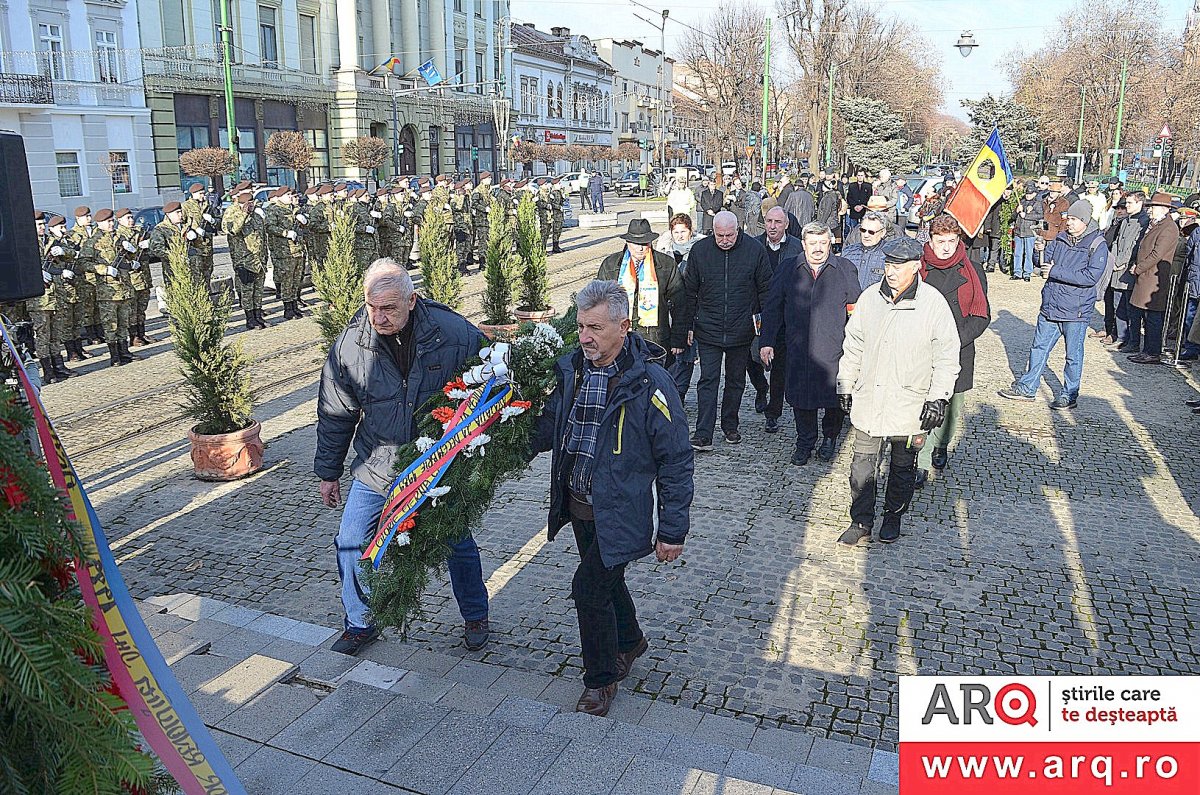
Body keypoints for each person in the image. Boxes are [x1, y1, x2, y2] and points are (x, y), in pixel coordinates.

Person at [530, 280, 692, 718]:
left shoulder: (650, 383)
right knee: (606, 582)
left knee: (588, 588)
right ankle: (631, 640)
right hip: (579, 505)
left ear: (623, 326)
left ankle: (600, 681)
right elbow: (550, 427)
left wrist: (672, 529)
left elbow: (676, 460)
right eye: (582, 326)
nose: (585, 337)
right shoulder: (572, 371)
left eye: (596, 328)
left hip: (622, 511)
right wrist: (503, 431)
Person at [315, 259, 491, 656]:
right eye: (372, 307)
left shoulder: (453, 333)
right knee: (350, 540)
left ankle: (475, 614)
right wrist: (328, 471)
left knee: (455, 541)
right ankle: (360, 621)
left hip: (438, 463)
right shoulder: (349, 346)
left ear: (412, 301)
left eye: (390, 307)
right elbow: (335, 411)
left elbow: (489, 383)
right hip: (378, 464)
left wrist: (477, 455)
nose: (380, 316)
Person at [836, 237, 960, 545]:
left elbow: (947, 355)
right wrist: (845, 383)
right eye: (888, 264)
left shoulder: (932, 304)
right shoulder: (869, 299)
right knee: (861, 467)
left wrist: (938, 397)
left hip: (911, 404)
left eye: (899, 266)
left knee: (902, 468)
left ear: (916, 266)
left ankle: (893, 516)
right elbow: (853, 345)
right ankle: (862, 520)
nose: (891, 272)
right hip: (870, 399)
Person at [759, 221, 859, 465]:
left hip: (834, 349)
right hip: (797, 348)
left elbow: (858, 311)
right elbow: (772, 308)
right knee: (801, 399)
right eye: (812, 243)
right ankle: (805, 441)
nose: (818, 248)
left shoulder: (845, 269)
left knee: (833, 400)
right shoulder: (788, 268)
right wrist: (767, 341)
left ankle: (829, 438)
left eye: (823, 243)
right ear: (803, 244)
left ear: (830, 244)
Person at [998, 199, 1109, 409]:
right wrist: (1040, 250)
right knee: (1038, 348)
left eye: (1075, 219)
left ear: (1085, 221)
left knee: (1073, 356)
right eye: (1069, 219)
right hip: (1051, 304)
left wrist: (1056, 272)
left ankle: (1069, 393)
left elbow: (1090, 277)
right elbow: (1044, 263)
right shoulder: (1060, 239)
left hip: (1076, 310)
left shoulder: (1097, 245)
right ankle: (1028, 387)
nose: (1069, 223)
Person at [681, 210, 772, 450]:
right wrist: (688, 325)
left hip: (741, 329)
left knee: (735, 381)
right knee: (708, 380)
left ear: (738, 230)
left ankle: (730, 425)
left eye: (729, 235)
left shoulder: (754, 251)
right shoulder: (700, 252)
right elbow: (689, 292)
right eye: (719, 235)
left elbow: (765, 291)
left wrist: (765, 329)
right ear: (713, 232)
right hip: (708, 328)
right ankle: (703, 433)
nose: (724, 240)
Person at [914, 215, 990, 484]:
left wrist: (953, 340)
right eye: (940, 241)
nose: (946, 247)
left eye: (952, 241)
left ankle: (941, 445)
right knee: (925, 405)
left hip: (959, 348)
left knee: (952, 407)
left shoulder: (973, 270)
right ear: (930, 241)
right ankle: (921, 461)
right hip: (923, 348)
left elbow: (981, 315)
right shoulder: (918, 270)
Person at [596, 219, 686, 361]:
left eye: (644, 243)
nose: (640, 248)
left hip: (655, 339)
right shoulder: (610, 265)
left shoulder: (666, 264)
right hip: (619, 338)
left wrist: (678, 339)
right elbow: (599, 303)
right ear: (627, 242)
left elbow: (680, 304)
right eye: (636, 244)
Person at [748, 206, 804, 432]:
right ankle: (761, 387)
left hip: (784, 314)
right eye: (769, 221)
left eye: (777, 222)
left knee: (780, 365)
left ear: (786, 224)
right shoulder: (753, 245)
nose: (772, 226)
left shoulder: (796, 247)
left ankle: (773, 411)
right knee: (750, 358)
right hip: (755, 310)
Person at [1125, 192, 1180, 364]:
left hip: (1154, 278)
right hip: (1145, 276)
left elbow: (1157, 254)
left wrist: (1139, 268)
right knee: (1143, 315)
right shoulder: (1155, 224)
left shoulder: (1169, 228)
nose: (1150, 210)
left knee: (1153, 317)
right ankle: (1146, 349)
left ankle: (1153, 352)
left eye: (1153, 207)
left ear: (1164, 209)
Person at [654, 214, 704, 397]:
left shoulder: (699, 252)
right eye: (676, 232)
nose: (680, 235)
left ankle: (678, 394)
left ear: (691, 231)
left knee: (685, 356)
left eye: (684, 231)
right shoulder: (664, 252)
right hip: (665, 313)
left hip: (690, 312)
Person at [1105, 192, 1148, 348]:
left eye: (1130, 203)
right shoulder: (1125, 221)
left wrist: (1122, 262)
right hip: (1117, 268)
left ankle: (1132, 341)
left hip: (1128, 270)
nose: (1126, 206)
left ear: (1139, 203)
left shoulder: (1143, 222)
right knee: (1118, 306)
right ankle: (1121, 337)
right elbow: (1117, 242)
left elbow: (1136, 246)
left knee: (1131, 309)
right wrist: (1113, 259)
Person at [265, 187, 307, 320]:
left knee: (296, 279)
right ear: (280, 196)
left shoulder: (294, 209)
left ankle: (294, 305)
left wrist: (304, 221)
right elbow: (270, 227)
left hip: (298, 249)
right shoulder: (274, 209)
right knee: (287, 280)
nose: (290, 197)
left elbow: (303, 226)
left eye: (291, 195)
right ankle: (287, 308)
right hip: (285, 251)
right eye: (287, 195)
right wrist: (285, 233)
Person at [842, 211, 890, 291]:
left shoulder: (889, 255)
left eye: (871, 232)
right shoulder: (848, 252)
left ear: (882, 233)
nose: (866, 235)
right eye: (863, 230)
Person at [1037, 181, 1070, 278]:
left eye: (1054, 192)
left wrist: (1061, 232)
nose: (1052, 193)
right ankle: (1042, 270)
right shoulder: (1044, 201)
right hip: (1043, 231)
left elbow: (1064, 219)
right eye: (1051, 191)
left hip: (1054, 232)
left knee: (1051, 253)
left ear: (1059, 193)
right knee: (1041, 252)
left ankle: (1050, 272)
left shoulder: (1064, 203)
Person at [1012, 183, 1043, 282]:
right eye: (1027, 193)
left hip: (1030, 232)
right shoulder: (1021, 202)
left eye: (1030, 193)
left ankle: (1027, 273)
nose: (1028, 195)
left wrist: (1026, 215)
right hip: (1019, 231)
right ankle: (1017, 272)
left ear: (1034, 193)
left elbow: (1040, 216)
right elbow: (1013, 217)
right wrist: (1016, 211)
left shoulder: (1037, 203)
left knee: (1028, 254)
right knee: (1017, 253)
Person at [845, 169, 873, 236]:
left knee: (864, 228)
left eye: (861, 175)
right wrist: (854, 206)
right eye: (859, 175)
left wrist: (862, 206)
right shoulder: (852, 186)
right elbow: (849, 197)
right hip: (854, 210)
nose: (860, 177)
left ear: (864, 176)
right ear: (856, 176)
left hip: (864, 210)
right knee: (854, 229)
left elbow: (869, 198)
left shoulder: (868, 186)